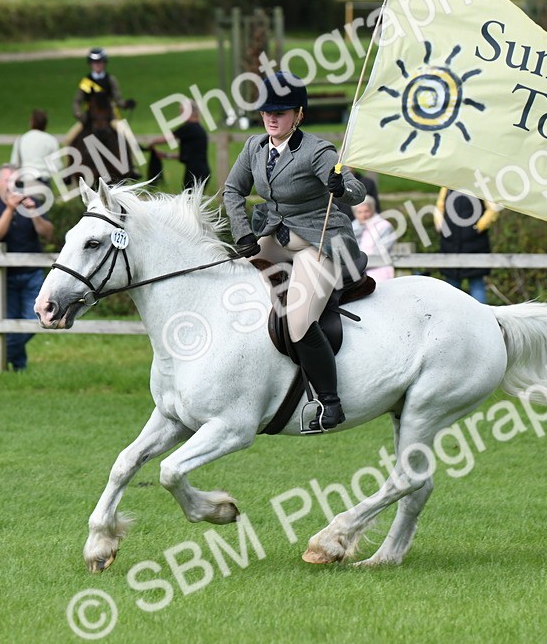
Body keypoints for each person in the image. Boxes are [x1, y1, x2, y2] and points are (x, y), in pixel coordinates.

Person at [223, 72, 368, 431]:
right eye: (267, 112)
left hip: (319, 241)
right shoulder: (254, 148)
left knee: (299, 321)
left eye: (281, 112)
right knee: (228, 280)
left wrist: (342, 188)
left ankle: (330, 404)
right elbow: (231, 190)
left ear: (298, 114)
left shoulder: (318, 151)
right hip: (276, 235)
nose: (272, 118)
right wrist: (242, 234)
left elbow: (356, 190)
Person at [0, 163, 54, 372]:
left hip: (32, 273)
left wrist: (33, 213)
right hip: (4, 276)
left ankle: (3, 355)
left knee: (36, 319)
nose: (13, 185)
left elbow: (48, 233)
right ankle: (19, 367)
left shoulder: (33, 202)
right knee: (9, 321)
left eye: (17, 181)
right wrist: (10, 209)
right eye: (8, 181)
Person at [435, 188, 500, 304]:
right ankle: (452, 319)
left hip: (476, 242)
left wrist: (479, 227)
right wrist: (441, 226)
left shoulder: (480, 185)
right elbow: (439, 207)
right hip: (450, 243)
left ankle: (480, 319)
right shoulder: (447, 185)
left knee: (476, 283)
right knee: (451, 285)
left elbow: (493, 209)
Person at [148, 102, 211, 193]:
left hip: (195, 172)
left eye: (182, 112)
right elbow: (189, 154)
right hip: (200, 170)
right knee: (191, 199)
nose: (180, 116)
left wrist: (152, 143)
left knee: (188, 200)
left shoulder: (189, 128)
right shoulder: (198, 129)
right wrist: (166, 155)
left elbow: (168, 138)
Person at [72, 47, 134, 124]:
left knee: (125, 134)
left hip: (110, 116)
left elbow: (118, 99)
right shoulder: (86, 82)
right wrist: (78, 113)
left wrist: (125, 104)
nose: (97, 65)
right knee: (72, 136)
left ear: (104, 63)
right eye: (94, 62)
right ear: (90, 64)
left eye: (100, 62)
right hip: (90, 117)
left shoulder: (110, 80)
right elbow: (77, 101)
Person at [352, 196, 396, 282]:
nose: (363, 215)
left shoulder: (384, 226)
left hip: (379, 271)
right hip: (358, 272)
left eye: (366, 211)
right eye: (359, 212)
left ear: (372, 210)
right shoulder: (354, 227)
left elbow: (379, 254)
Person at [10, 109, 59, 184]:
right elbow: (56, 166)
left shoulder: (21, 139)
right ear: (45, 124)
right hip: (43, 181)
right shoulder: (51, 140)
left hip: (26, 181)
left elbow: (14, 164)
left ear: (31, 123)